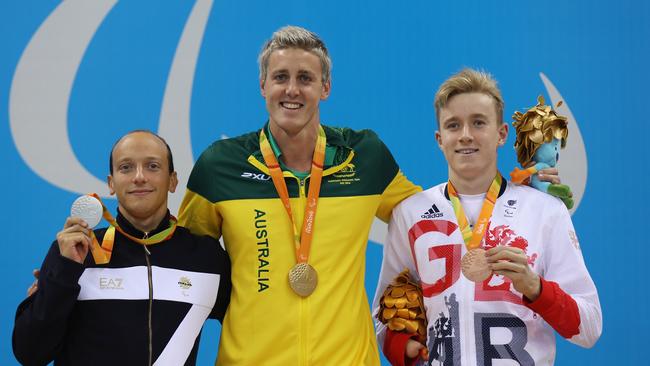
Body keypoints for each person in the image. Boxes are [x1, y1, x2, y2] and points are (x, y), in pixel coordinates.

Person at [177, 25, 421, 365]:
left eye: (305, 78)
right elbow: (179, 262)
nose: (292, 89)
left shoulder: (364, 156)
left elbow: (430, 219)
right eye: (280, 77)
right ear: (263, 85)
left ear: (325, 88)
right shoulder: (220, 166)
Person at [373, 69, 602, 365]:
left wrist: (535, 287)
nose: (466, 135)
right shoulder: (410, 213)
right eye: (454, 125)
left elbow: (589, 328)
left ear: (502, 134)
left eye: (478, 123)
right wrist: (403, 346)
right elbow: (384, 318)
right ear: (439, 139)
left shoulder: (545, 211)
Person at [13, 130, 231, 366]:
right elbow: (30, 353)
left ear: (172, 181)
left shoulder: (206, 259)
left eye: (153, 166)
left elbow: (252, 324)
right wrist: (60, 278)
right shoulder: (75, 252)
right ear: (111, 183)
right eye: (126, 167)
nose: (139, 177)